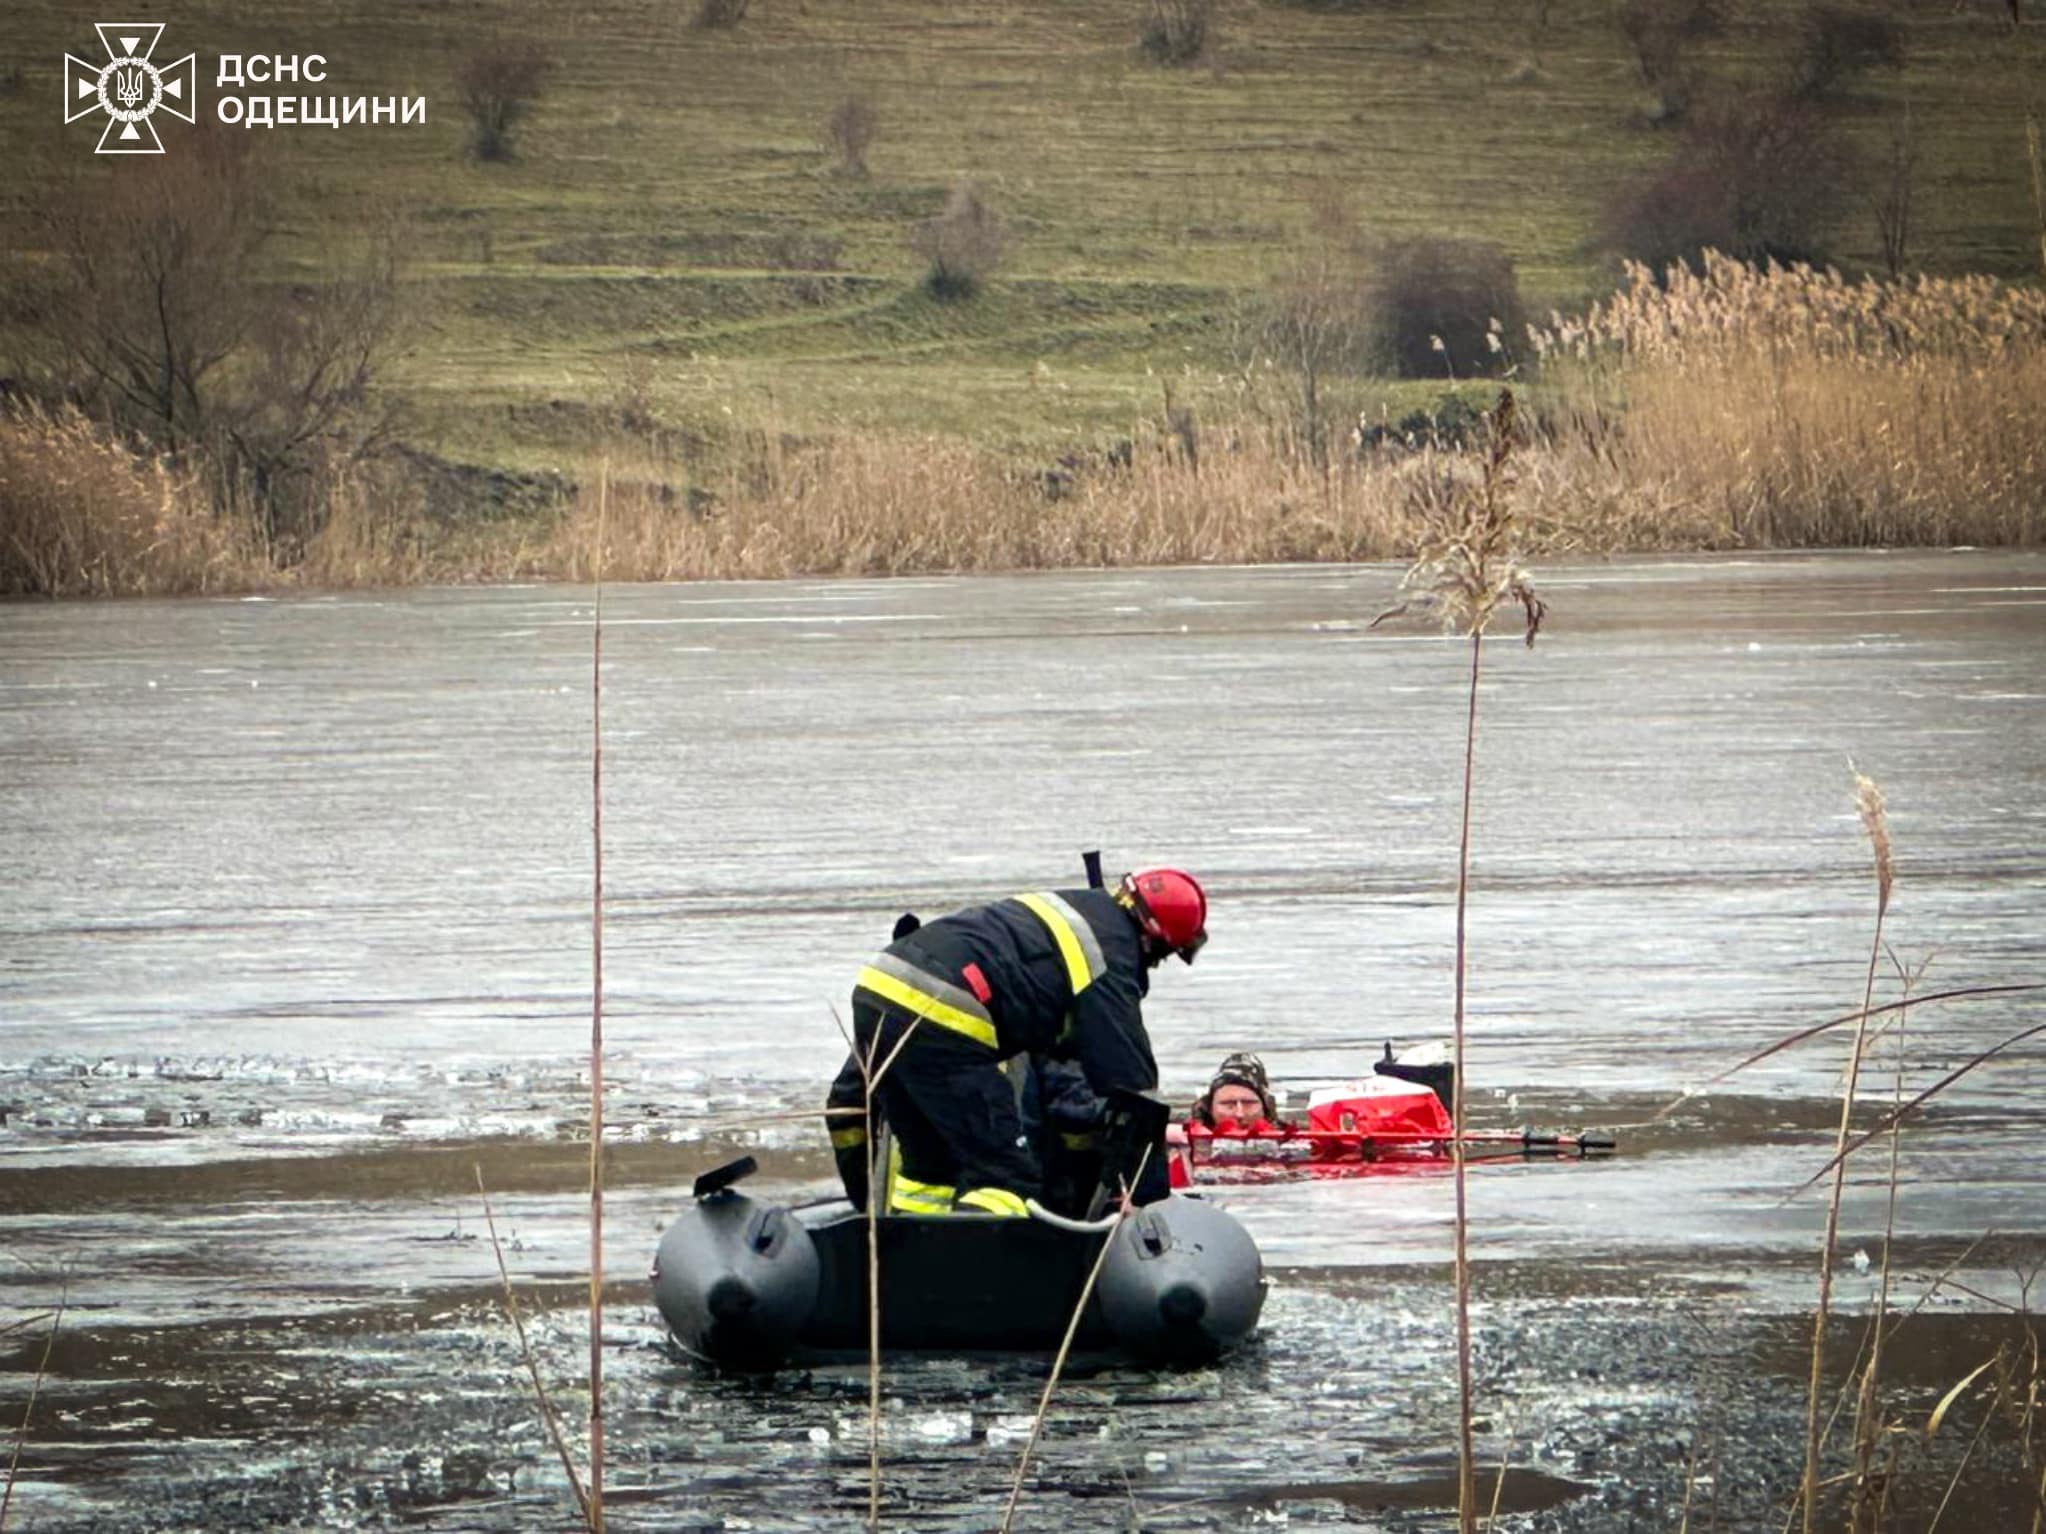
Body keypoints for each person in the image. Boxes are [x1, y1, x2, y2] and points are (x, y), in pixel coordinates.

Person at [825, 867, 1207, 1217]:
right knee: (1005, 1176)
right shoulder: (1109, 956)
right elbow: (1132, 1085)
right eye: (1165, 955)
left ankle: (907, 1260)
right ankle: (977, 1272)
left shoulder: (1076, 908)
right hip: (943, 1013)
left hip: (878, 990)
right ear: (1153, 937)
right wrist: (1151, 1198)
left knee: (929, 1164)